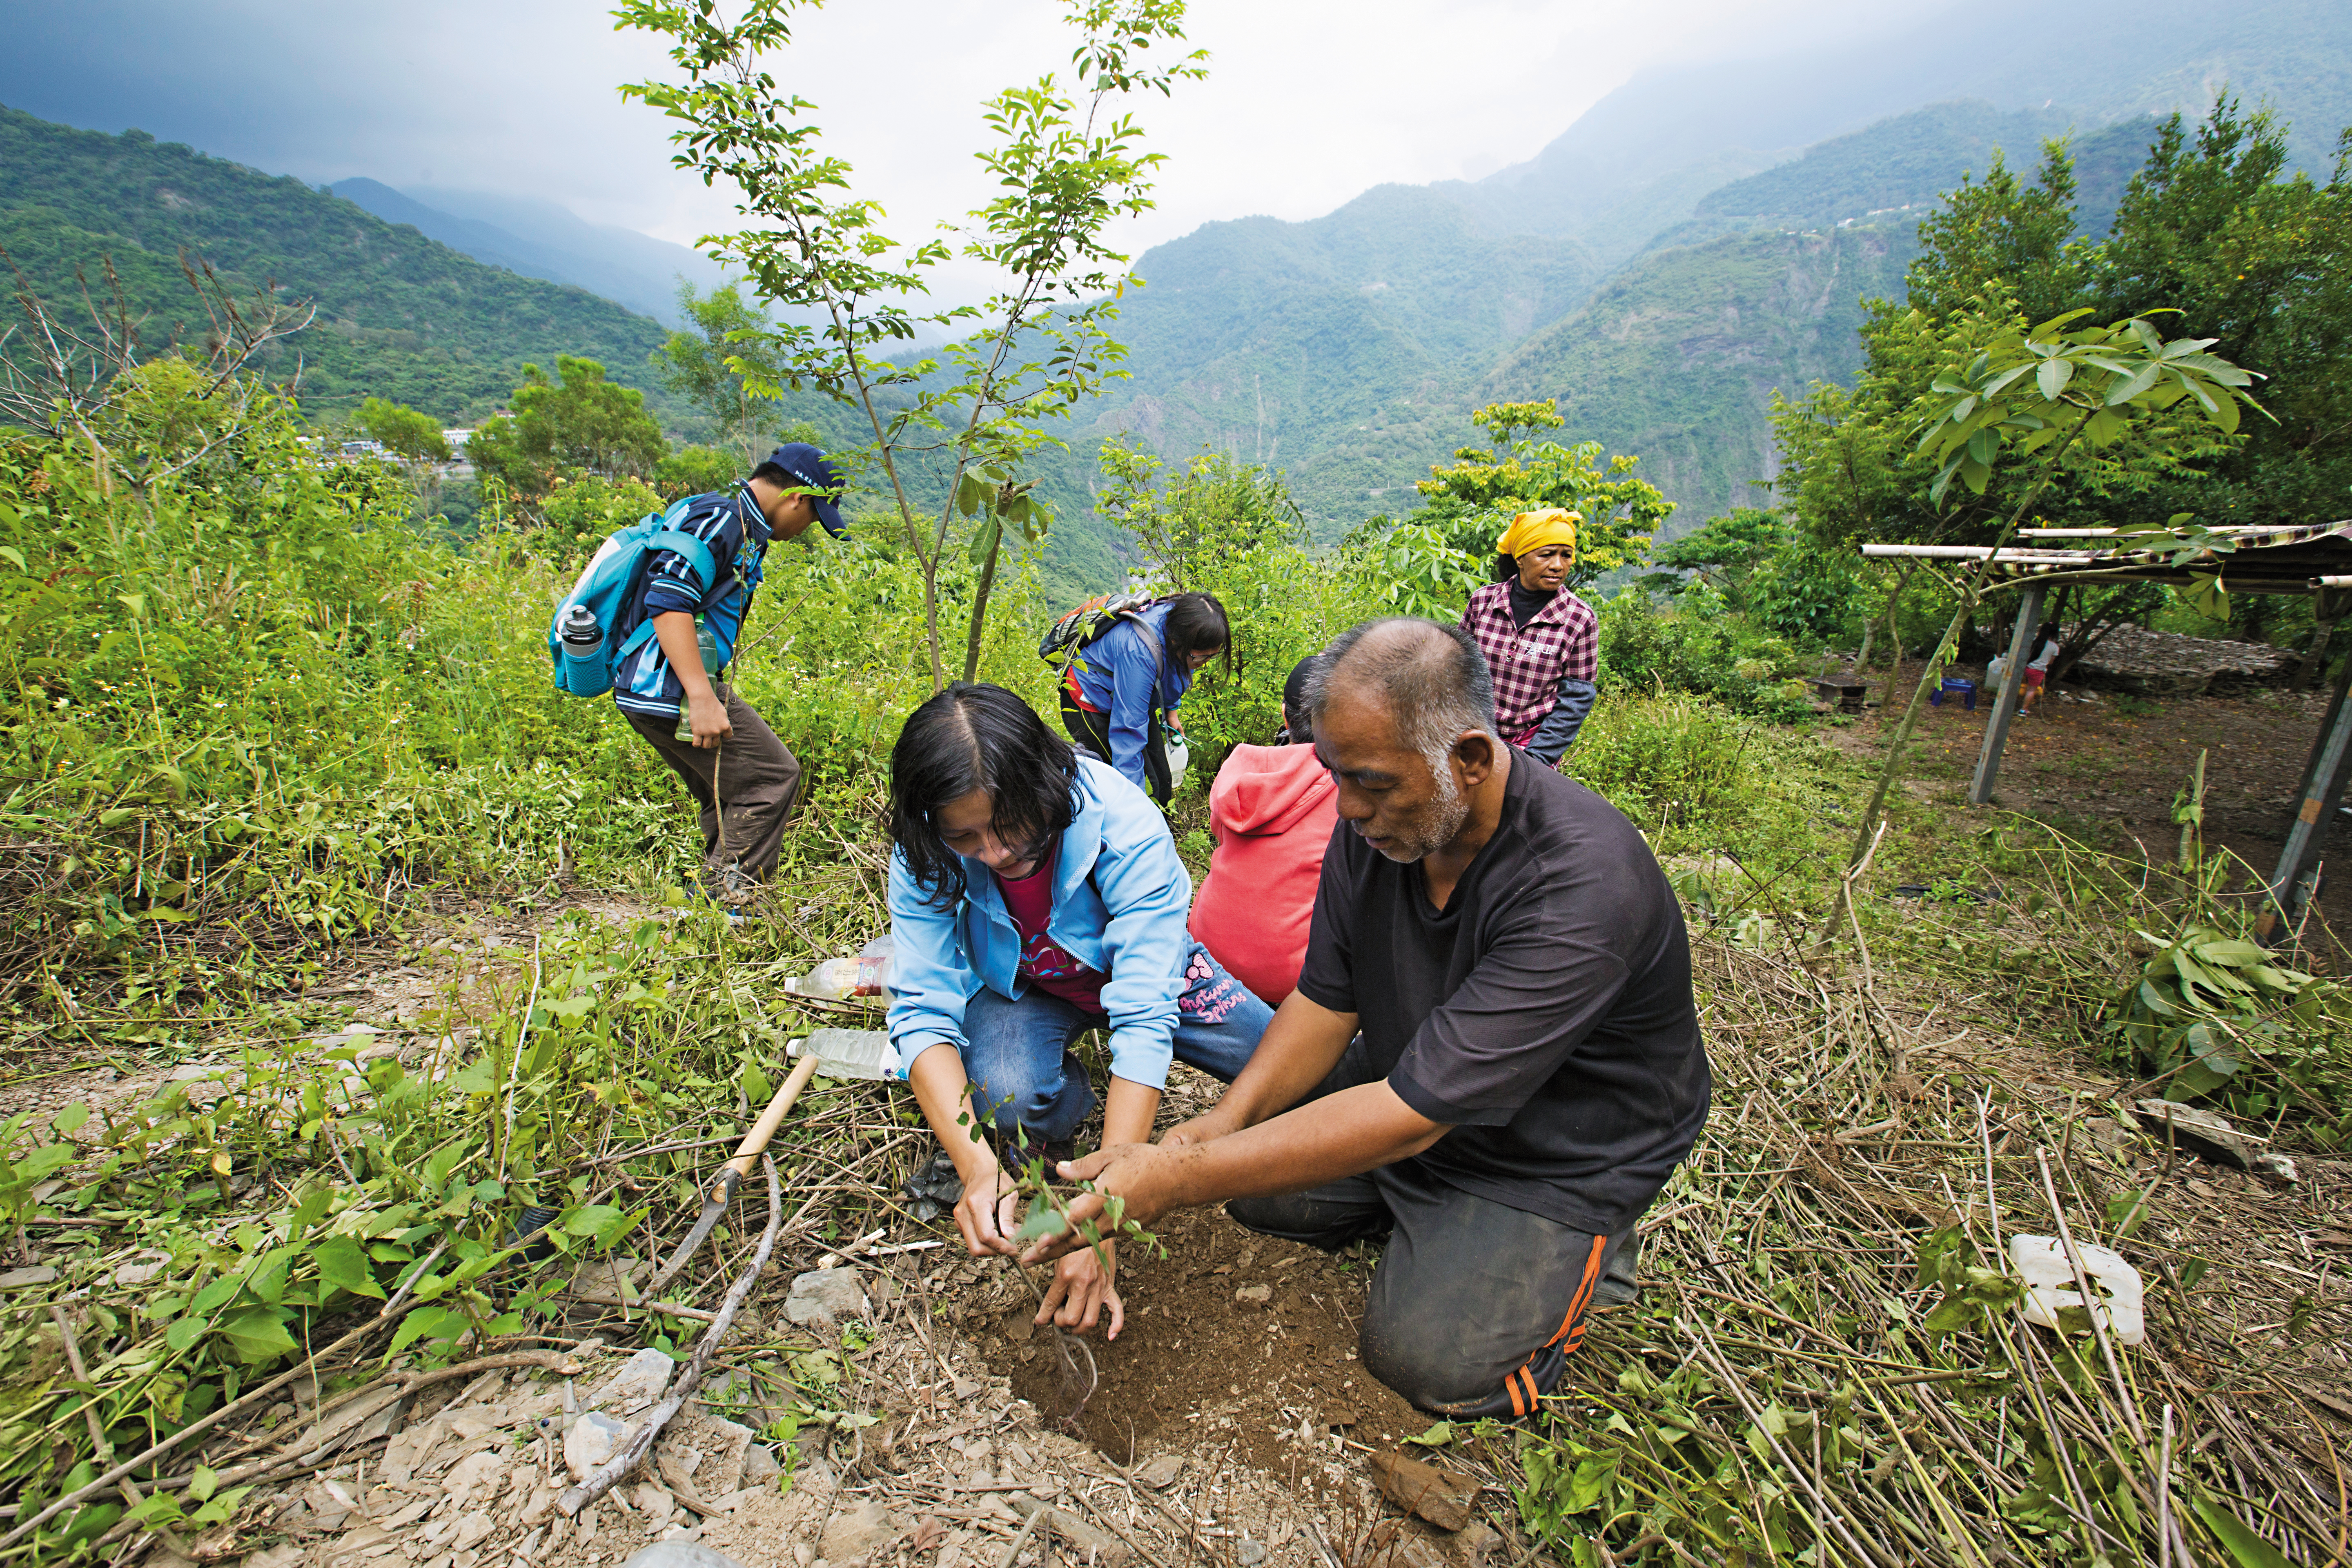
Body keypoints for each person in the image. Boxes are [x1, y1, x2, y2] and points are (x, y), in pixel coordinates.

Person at [1032, 619, 1712, 1418]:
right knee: (1254, 1189)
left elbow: (1412, 1114)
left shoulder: (1583, 886)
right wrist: (1218, 1126)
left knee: (1429, 1363)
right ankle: (1425, 1208)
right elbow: (1327, 1002)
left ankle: (1577, 1246)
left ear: (1470, 759)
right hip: (1415, 1073)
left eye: (1373, 782)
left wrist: (1177, 1178)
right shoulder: (1384, 829)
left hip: (1554, 1145)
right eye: (1335, 774)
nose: (1348, 807)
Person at [885, 684, 1275, 1336]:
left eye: (1011, 826)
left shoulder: (1123, 823)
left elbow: (1145, 1015)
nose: (995, 853)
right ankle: (1065, 1107)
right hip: (1029, 985)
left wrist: (1108, 1215)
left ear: (1046, 786)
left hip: (1154, 975)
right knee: (1003, 1095)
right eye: (965, 837)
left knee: (1286, 1071)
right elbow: (922, 1011)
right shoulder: (926, 850)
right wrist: (977, 1166)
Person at [611, 442, 845, 905]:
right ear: (797, 497)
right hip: (666, 685)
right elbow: (668, 600)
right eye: (813, 517)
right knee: (774, 777)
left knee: (727, 791)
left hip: (648, 687)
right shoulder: (725, 520)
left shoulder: (736, 523)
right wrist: (701, 696)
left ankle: (710, 907)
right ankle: (729, 903)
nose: (806, 529)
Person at [1189, 655, 1339, 1007]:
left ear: (1285, 716)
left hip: (1204, 954)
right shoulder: (1353, 790)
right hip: (1290, 980)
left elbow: (1222, 836)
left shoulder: (1242, 772)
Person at [1060, 592, 1232, 803]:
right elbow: (1128, 737)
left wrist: (1172, 711)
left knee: (1161, 781)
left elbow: (1175, 669)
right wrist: (1136, 807)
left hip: (1134, 697)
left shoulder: (1182, 622)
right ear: (1177, 641)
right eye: (1202, 656)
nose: (1206, 662)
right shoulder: (1139, 653)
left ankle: (1158, 817)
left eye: (1213, 655)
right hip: (1089, 700)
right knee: (1120, 783)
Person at [1458, 509, 1599, 766]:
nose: (1558, 565)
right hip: (1473, 733)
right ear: (1521, 558)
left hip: (1531, 742)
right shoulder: (1483, 602)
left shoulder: (1579, 619)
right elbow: (1457, 668)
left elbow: (1576, 698)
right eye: (1546, 555)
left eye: (1566, 555)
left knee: (1518, 794)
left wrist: (1538, 759)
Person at [2021, 621, 2063, 714]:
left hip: (2024, 668)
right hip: (2038, 671)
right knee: (2031, 690)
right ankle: (2023, 711)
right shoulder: (2055, 647)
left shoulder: (2034, 641)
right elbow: (2051, 662)